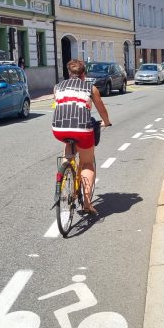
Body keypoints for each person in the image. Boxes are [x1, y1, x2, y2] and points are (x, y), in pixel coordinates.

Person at [52, 59, 111, 215]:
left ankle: (63, 175)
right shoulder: (90, 88)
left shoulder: (57, 87)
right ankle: (86, 203)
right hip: (82, 130)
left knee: (68, 150)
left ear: (69, 73)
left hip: (59, 129)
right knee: (87, 164)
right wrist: (106, 122)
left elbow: (60, 105)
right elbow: (101, 110)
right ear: (84, 74)